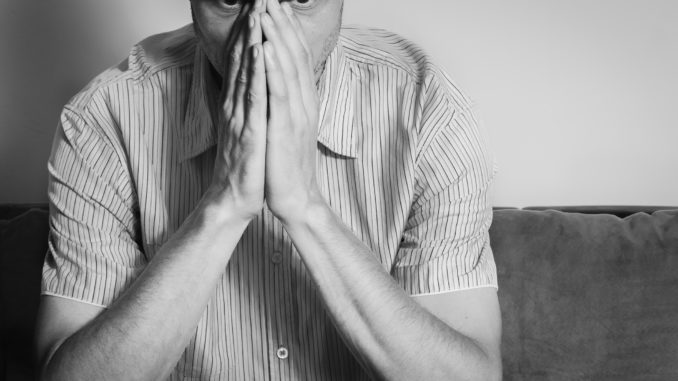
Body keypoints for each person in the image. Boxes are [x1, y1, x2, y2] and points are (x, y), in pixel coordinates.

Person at [35, 0, 502, 379]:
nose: (259, 33)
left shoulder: (427, 111)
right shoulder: (104, 120)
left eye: (298, 1)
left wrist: (305, 208)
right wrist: (223, 206)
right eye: (229, 1)